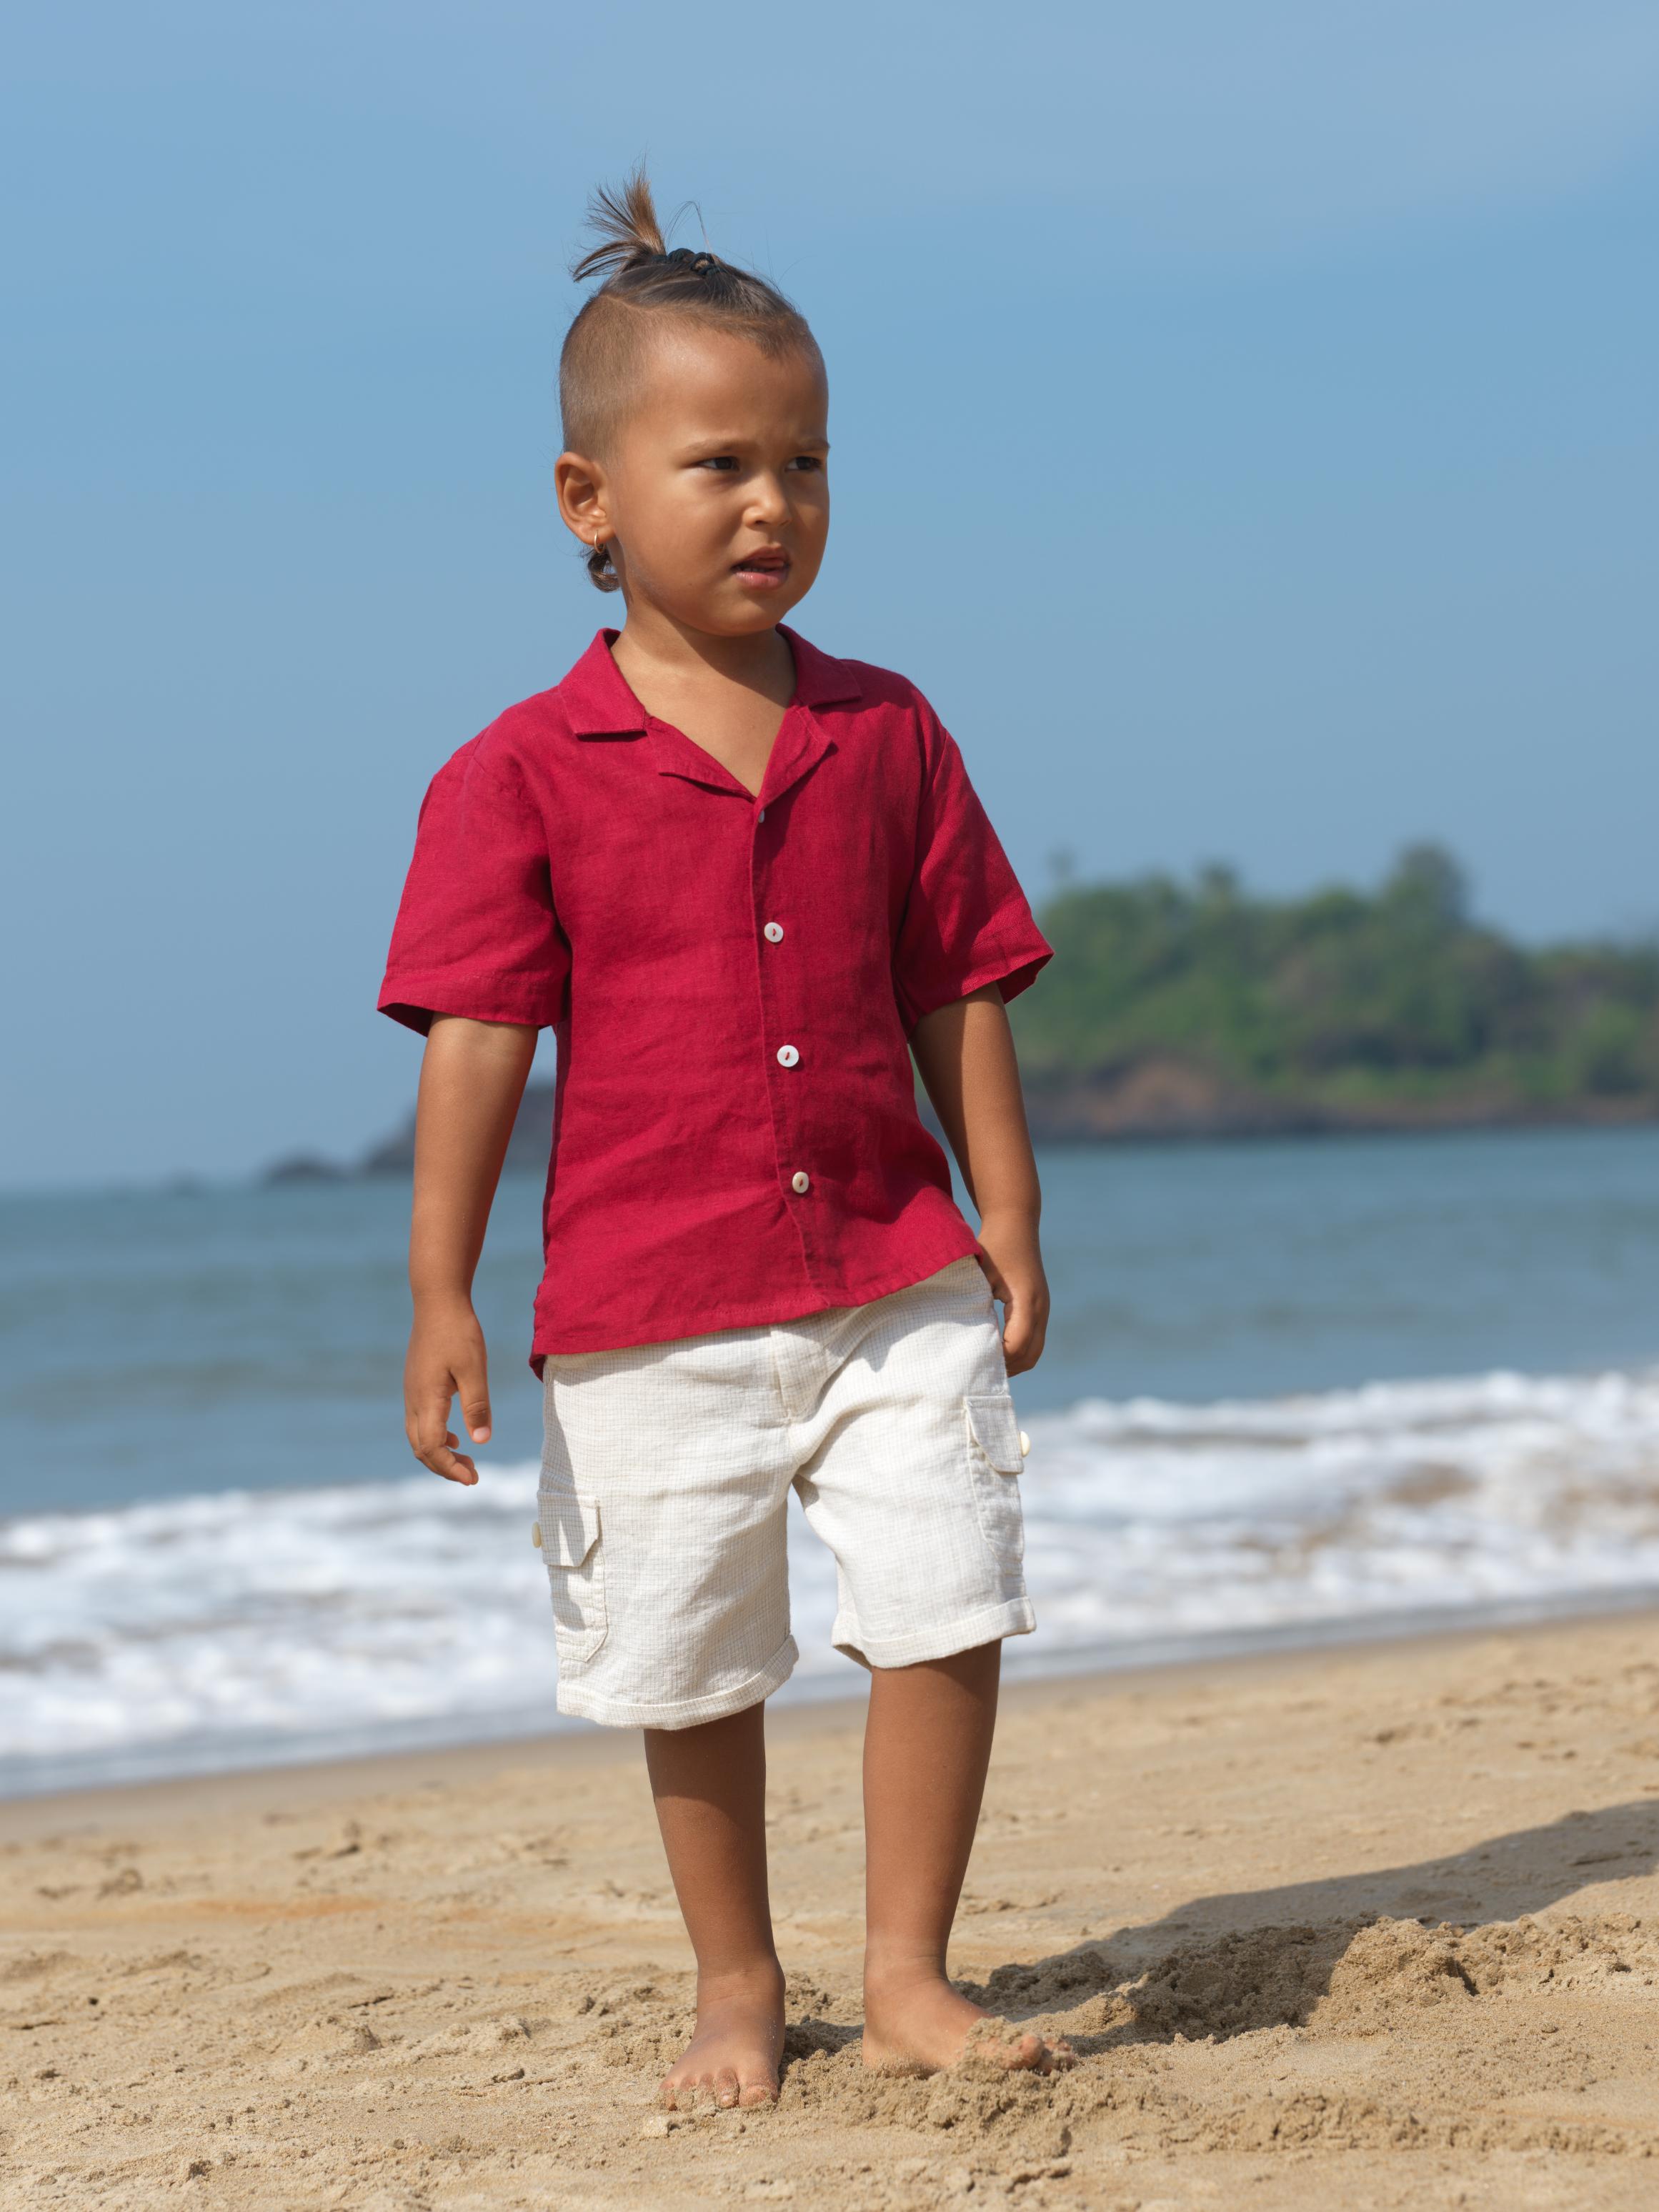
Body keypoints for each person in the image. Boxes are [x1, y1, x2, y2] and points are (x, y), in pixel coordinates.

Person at [378, 172, 1070, 2109]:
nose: (773, 505)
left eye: (808, 462)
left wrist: (1002, 1207)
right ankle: (737, 1985)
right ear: (588, 503)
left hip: (890, 1268)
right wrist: (438, 1285)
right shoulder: (514, 772)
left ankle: (911, 1970)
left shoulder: (890, 730)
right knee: (688, 1655)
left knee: (944, 1595)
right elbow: (477, 1040)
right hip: (648, 1300)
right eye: (719, 466)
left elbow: (960, 983)